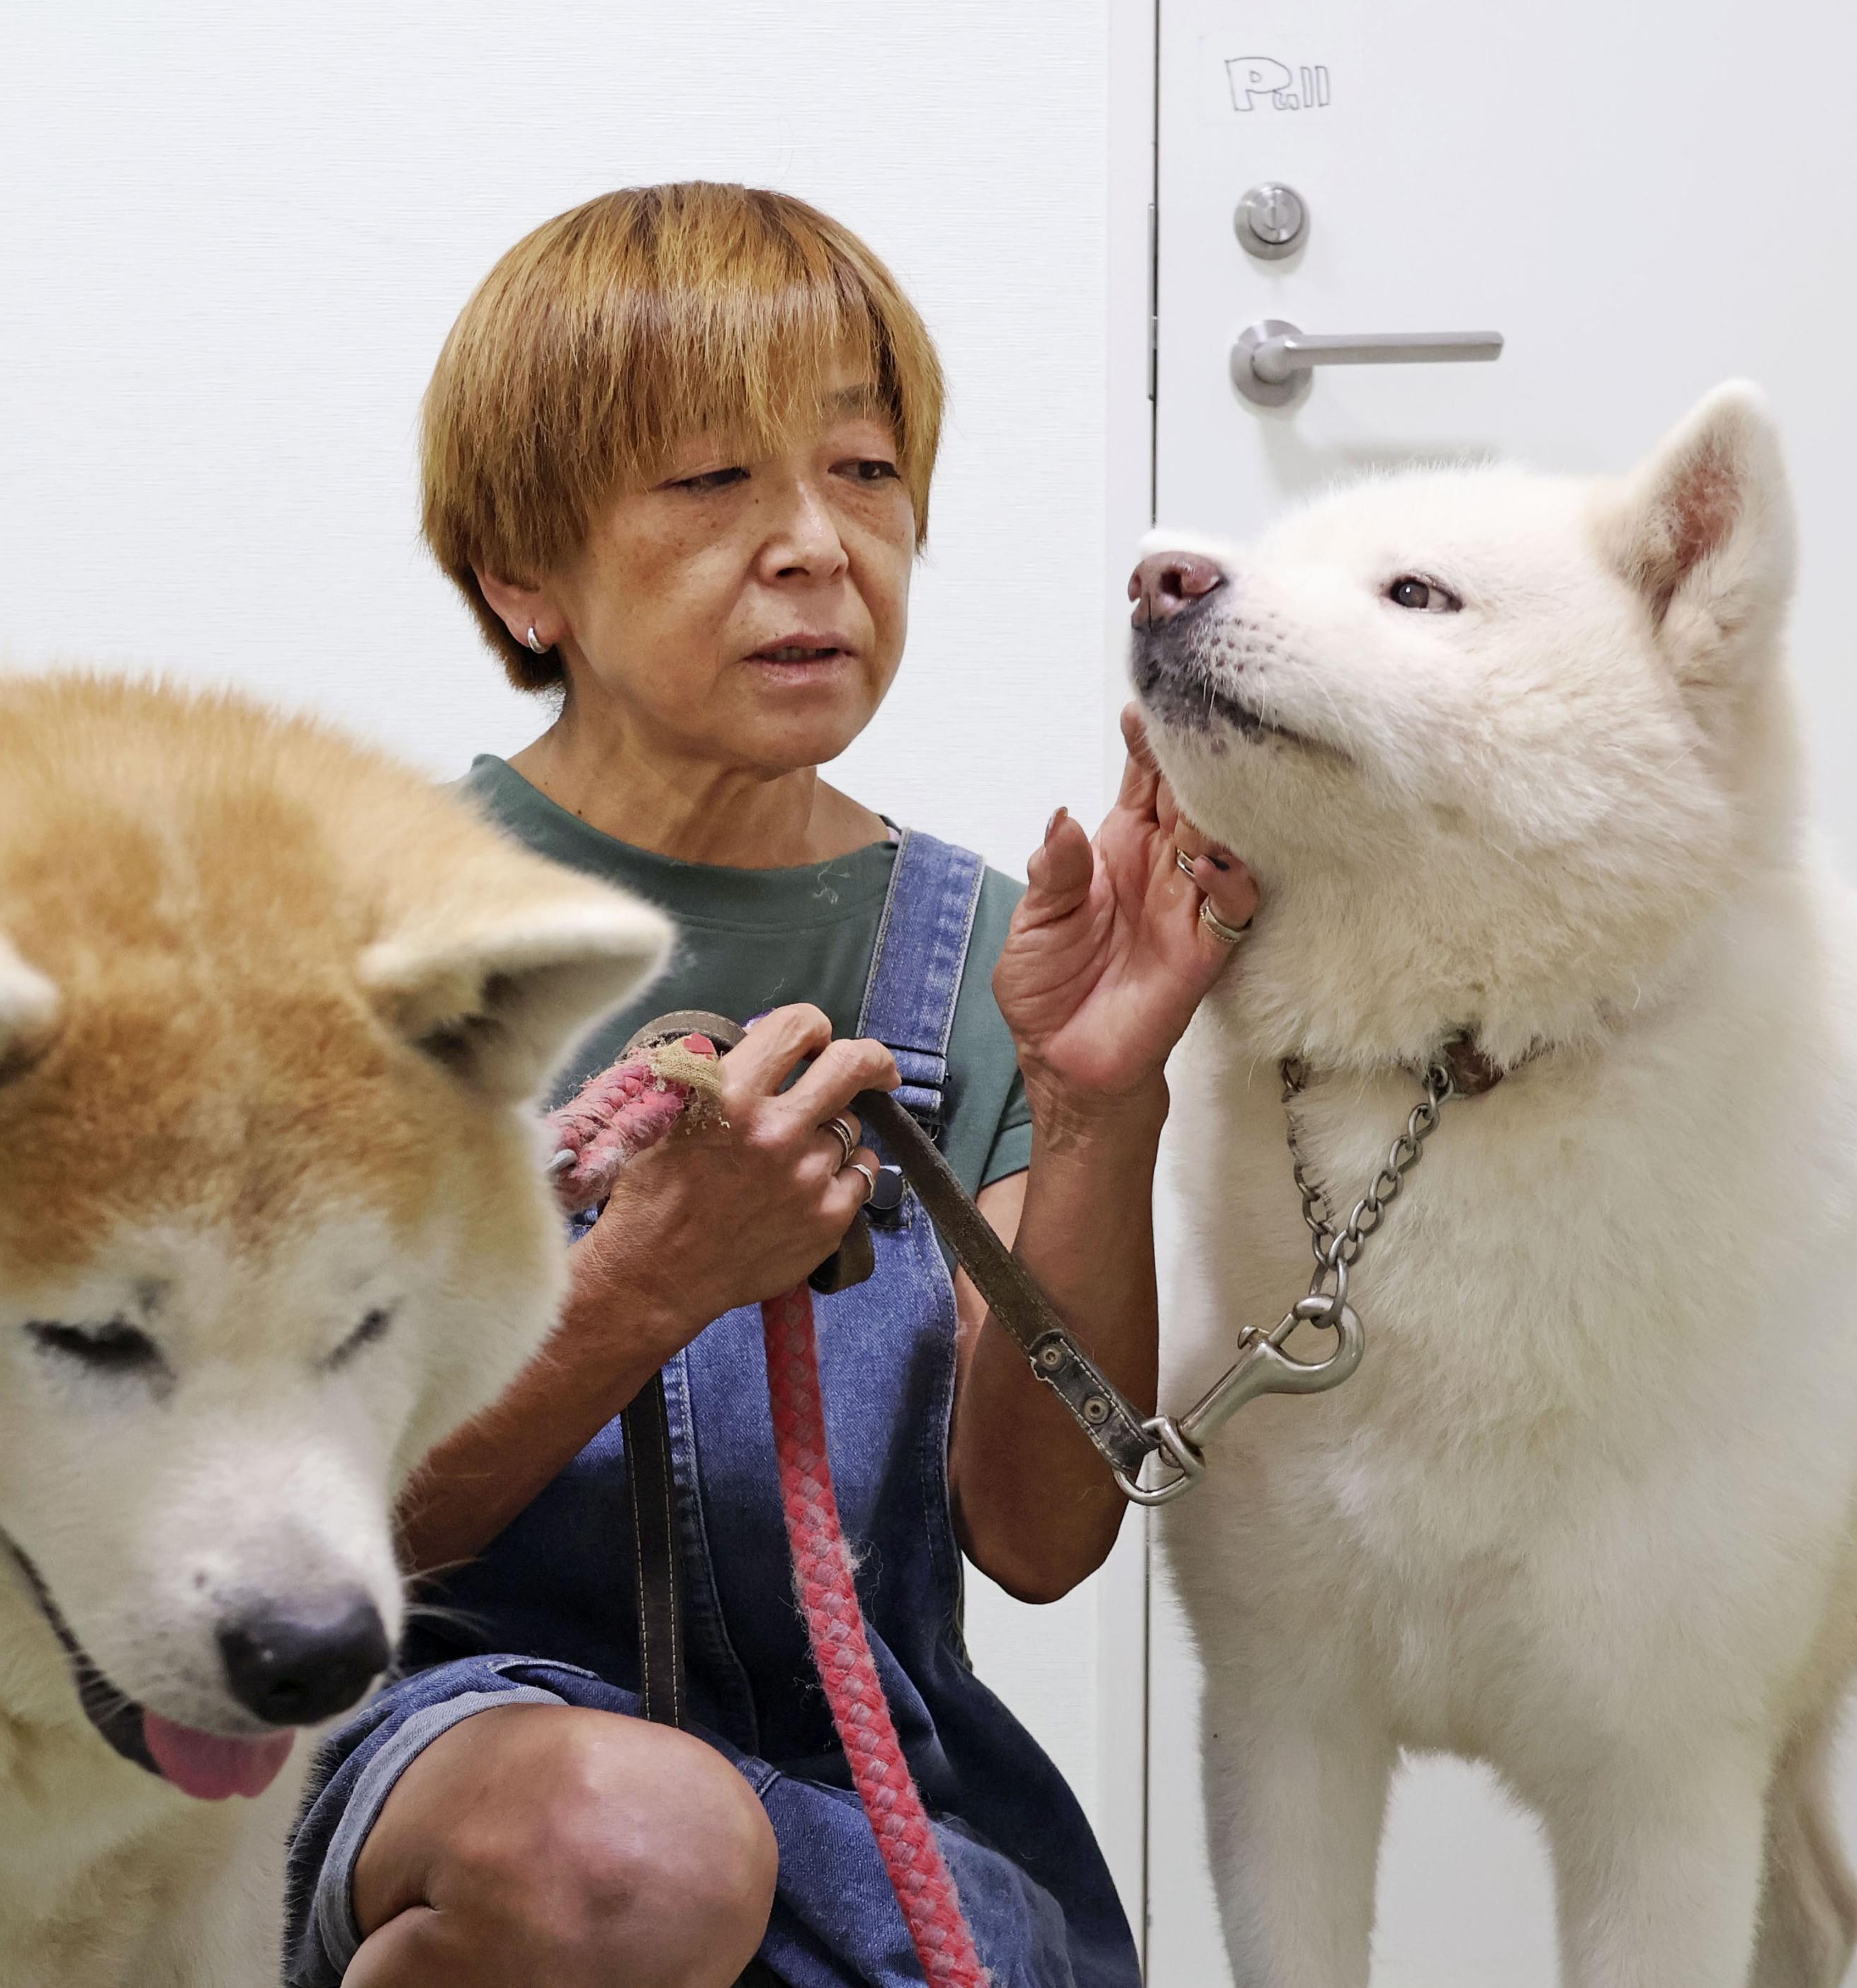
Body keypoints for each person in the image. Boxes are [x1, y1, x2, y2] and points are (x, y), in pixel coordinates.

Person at [285, 183, 1258, 1988]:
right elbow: (305, 1537)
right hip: (435, 1760)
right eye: (709, 483)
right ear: (522, 575)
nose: (816, 545)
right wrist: (642, 1281)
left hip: (866, 1786)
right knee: (631, 1854)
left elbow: (1038, 1539)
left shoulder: (984, 948)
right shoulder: (352, 935)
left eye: (865, 474)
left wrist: (1101, 1098)